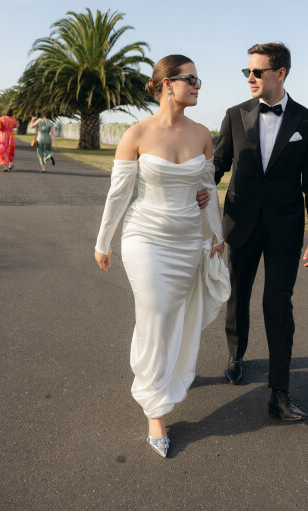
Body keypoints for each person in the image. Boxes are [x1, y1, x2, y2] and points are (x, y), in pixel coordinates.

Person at [94, 55, 229, 458]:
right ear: (168, 84)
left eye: (199, 80)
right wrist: (103, 241)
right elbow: (118, 194)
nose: (198, 85)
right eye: (192, 79)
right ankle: (155, 410)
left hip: (186, 241)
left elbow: (207, 189)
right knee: (155, 315)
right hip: (144, 238)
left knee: (173, 316)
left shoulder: (202, 134)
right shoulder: (136, 134)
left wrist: (218, 234)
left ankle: (166, 374)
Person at [201, 42, 308, 421]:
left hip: (284, 229)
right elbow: (219, 163)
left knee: (278, 305)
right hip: (240, 223)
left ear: (281, 73)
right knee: (237, 295)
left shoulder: (307, 121)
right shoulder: (235, 114)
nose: (250, 78)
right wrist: (196, 191)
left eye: (257, 71)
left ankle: (280, 393)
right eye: (247, 71)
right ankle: (235, 355)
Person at [0, 107, 18, 172]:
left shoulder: (1, 119)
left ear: (6, 112)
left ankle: (5, 167)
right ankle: (10, 164)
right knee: (11, 150)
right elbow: (15, 126)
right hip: (11, 136)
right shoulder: (14, 119)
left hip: (3, 136)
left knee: (3, 150)